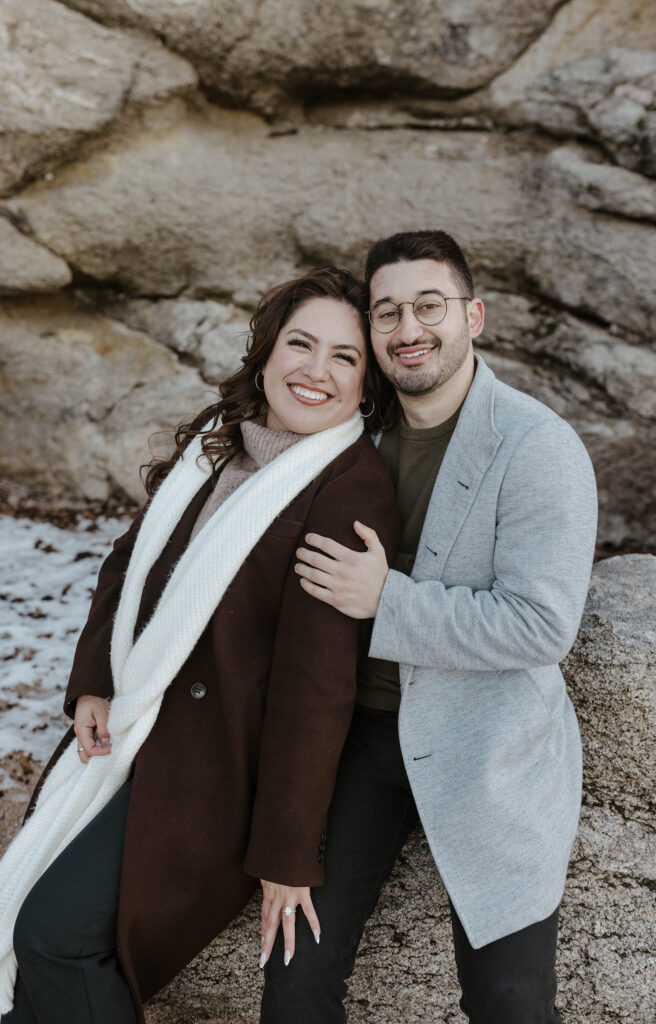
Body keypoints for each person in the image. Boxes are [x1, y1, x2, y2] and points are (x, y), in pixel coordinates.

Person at [0, 267, 398, 1024]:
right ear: (266, 352)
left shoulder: (348, 487)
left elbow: (314, 691)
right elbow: (131, 557)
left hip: (217, 777)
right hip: (135, 732)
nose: (315, 371)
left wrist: (286, 857)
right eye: (300, 344)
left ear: (365, 382)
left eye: (344, 358)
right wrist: (93, 681)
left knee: (54, 938)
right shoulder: (224, 446)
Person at [263, 231, 598, 1023]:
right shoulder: (354, 434)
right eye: (386, 313)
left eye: (428, 306)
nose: (407, 328)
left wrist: (388, 599)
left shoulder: (536, 446)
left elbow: (542, 625)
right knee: (294, 980)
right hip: (362, 738)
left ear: (472, 315)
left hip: (490, 745)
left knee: (510, 1003)